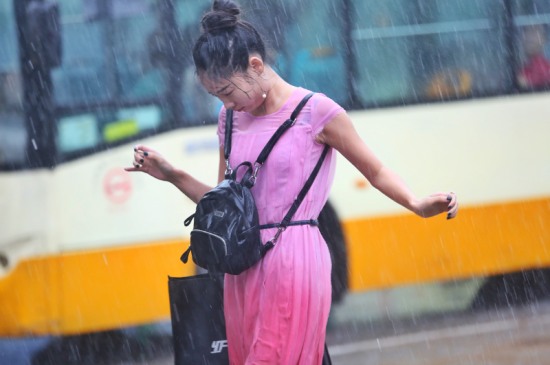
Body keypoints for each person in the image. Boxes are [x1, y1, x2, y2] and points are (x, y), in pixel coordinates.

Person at [125, 1, 459, 363]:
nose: (225, 103)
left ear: (255, 66)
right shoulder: (229, 120)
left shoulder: (317, 112)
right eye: (215, 96)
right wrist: (172, 175)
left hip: (293, 259)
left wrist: (416, 203)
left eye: (226, 91)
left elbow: (375, 171)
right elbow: (224, 205)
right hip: (241, 266)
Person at [517, 24, 550, 89]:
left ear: (544, 39)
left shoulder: (544, 67)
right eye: (526, 32)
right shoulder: (520, 66)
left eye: (534, 32)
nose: (529, 37)